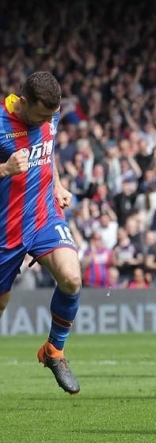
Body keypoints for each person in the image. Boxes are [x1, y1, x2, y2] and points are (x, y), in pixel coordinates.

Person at [0, 71, 83, 394]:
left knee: (72, 278)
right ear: (23, 103)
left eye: (51, 115)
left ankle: (54, 351)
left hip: (44, 217)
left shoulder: (51, 114)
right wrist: (5, 169)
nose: (47, 120)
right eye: (41, 115)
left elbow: (47, 151)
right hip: (6, 228)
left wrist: (58, 184)